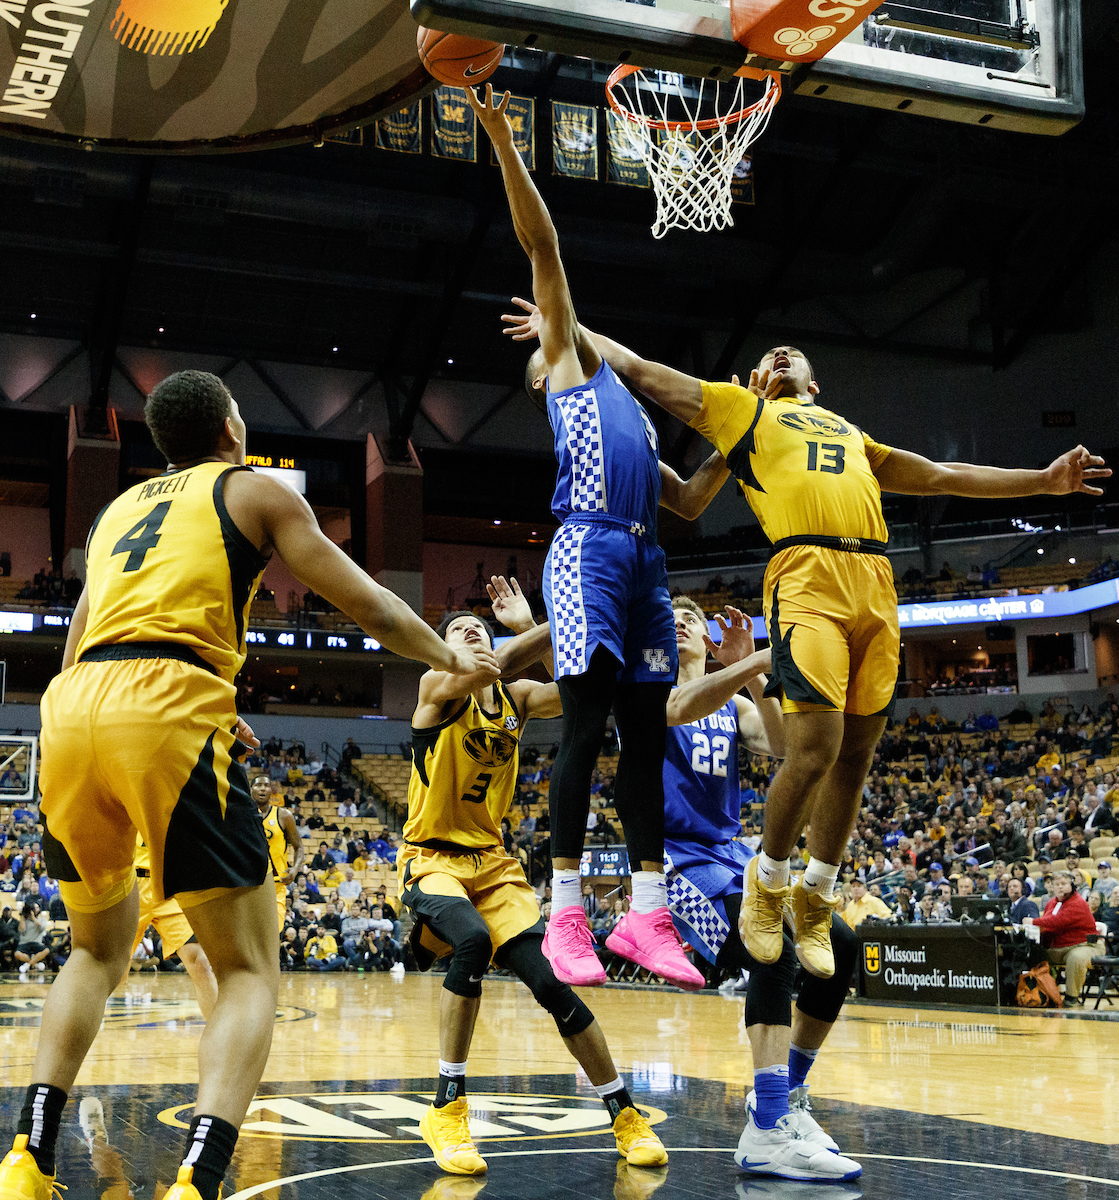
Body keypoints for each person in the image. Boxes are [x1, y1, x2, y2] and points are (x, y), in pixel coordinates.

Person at [0, 368, 499, 1200]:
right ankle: (198, 1179)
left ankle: (27, 1158)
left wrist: (135, 710)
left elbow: (82, 639)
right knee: (248, 972)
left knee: (93, 950)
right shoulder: (254, 488)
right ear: (231, 428)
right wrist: (453, 658)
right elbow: (372, 607)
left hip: (71, 710)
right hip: (167, 704)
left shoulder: (115, 509)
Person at [503, 305, 1109, 981]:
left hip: (874, 578)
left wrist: (1041, 481)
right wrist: (566, 327)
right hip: (805, 573)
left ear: (815, 386)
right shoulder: (745, 411)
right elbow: (641, 371)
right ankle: (768, 882)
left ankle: (815, 896)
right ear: (760, 379)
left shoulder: (853, 434)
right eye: (770, 355)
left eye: (793, 352)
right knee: (814, 747)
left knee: (855, 753)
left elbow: (940, 476)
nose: (781, 354)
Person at [472, 84, 728, 991]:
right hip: (587, 548)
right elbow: (542, 245)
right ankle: (568, 914)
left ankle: (647, 917)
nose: (556, 337)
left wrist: (748, 435)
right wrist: (504, 132)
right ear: (547, 372)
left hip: (649, 556)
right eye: (549, 339)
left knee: (644, 733)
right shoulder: (571, 379)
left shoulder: (635, 416)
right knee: (582, 730)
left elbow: (693, 501)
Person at [400, 583, 667, 1176]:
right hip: (433, 857)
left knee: (553, 985)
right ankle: (446, 1108)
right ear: (440, 650)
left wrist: (543, 623)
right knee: (469, 942)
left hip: (494, 866)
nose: (472, 630)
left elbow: (578, 692)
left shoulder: (515, 697)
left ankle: (623, 1113)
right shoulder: (435, 689)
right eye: (458, 629)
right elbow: (484, 664)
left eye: (479, 626)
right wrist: (568, 616)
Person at [660, 598, 860, 1181]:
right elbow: (677, 707)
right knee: (768, 946)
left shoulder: (736, 704)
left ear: (709, 635)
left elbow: (782, 748)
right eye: (670, 615)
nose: (681, 621)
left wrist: (759, 675)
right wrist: (746, 668)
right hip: (675, 865)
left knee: (840, 945)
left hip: (731, 855)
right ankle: (768, 1128)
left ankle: (785, 1099)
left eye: (692, 617)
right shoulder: (646, 689)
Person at [1022, 871, 1099, 1007]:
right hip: (1059, 947)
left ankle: (1071, 998)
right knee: (1034, 954)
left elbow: (1058, 921)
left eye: (1063, 884)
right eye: (1056, 884)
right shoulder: (1051, 903)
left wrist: (1033, 922)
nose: (1060, 887)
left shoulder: (1078, 902)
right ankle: (1040, 993)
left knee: (1076, 957)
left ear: (1072, 885)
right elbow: (1047, 925)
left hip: (1085, 945)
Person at [251, 775, 304, 933]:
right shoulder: (241, 816)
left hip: (276, 884)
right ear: (251, 790)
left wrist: (294, 870)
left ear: (271, 791)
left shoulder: (284, 815)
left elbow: (299, 847)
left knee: (274, 932)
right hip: (251, 886)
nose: (262, 788)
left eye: (266, 785)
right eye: (258, 785)